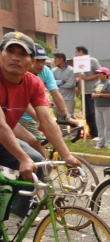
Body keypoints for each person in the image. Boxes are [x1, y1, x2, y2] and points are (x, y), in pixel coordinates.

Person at [0, 32, 80, 217]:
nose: (15, 57)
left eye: (22, 54)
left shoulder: (34, 83)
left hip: (4, 140)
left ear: (31, 60)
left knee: (39, 163)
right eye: (10, 51)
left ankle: (16, 219)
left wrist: (66, 155)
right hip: (4, 132)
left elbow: (46, 121)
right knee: (26, 159)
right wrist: (22, 157)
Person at [74, 46, 101, 139]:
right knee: (86, 113)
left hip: (92, 91)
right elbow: (79, 77)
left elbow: (100, 74)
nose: (75, 54)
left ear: (81, 51)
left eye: (76, 52)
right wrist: (78, 88)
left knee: (93, 112)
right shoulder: (78, 62)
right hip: (83, 92)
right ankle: (92, 132)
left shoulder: (92, 61)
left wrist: (88, 78)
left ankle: (98, 132)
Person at [91, 67, 110, 150]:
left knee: (108, 126)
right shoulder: (97, 83)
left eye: (100, 73)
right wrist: (93, 95)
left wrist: (100, 95)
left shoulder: (109, 83)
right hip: (98, 106)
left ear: (106, 74)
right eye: (98, 73)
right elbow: (93, 91)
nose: (99, 75)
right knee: (100, 125)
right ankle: (100, 142)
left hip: (107, 107)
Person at [51, 53, 76, 122]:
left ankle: (73, 133)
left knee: (70, 118)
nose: (54, 61)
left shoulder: (72, 70)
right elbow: (51, 83)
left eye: (55, 59)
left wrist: (57, 84)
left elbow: (71, 84)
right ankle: (63, 133)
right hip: (56, 99)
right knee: (60, 119)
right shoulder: (53, 71)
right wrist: (63, 81)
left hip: (68, 99)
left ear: (61, 59)